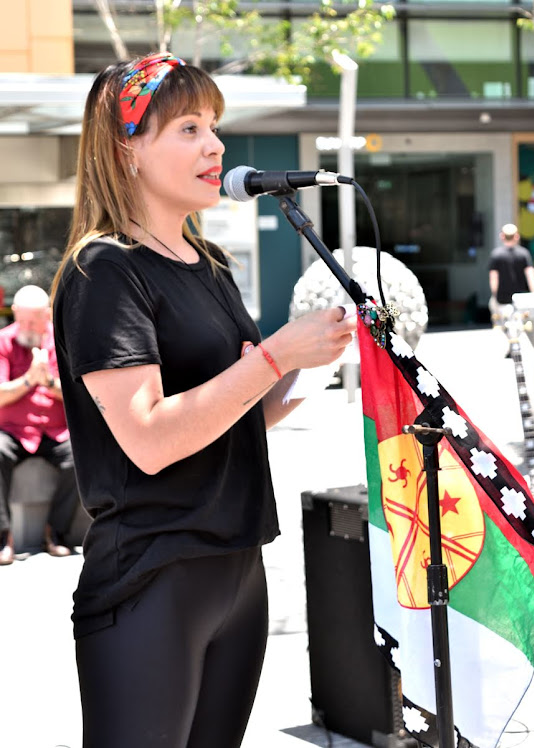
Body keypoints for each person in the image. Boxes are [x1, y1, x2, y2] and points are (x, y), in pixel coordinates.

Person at [51, 52, 357, 748]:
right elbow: (151, 440)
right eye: (188, 128)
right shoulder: (106, 271)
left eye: (214, 125)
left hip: (239, 566)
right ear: (126, 149)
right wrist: (277, 354)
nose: (215, 145)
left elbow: (242, 414)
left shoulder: (209, 263)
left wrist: (316, 360)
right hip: (153, 575)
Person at [0, 284, 79, 565]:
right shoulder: (3, 341)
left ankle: (55, 532)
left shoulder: (63, 341)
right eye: (21, 320)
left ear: (47, 315)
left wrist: (47, 382)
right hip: (13, 431)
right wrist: (28, 381)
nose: (26, 327)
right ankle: (3, 537)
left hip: (56, 431)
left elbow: (78, 393)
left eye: (33, 321)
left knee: (81, 456)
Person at [488, 222, 534, 317]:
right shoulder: (524, 254)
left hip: (502, 299)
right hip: (521, 299)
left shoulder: (496, 255)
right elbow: (531, 276)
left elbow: (493, 278)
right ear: (517, 236)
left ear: (502, 236)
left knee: (502, 323)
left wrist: (494, 295)